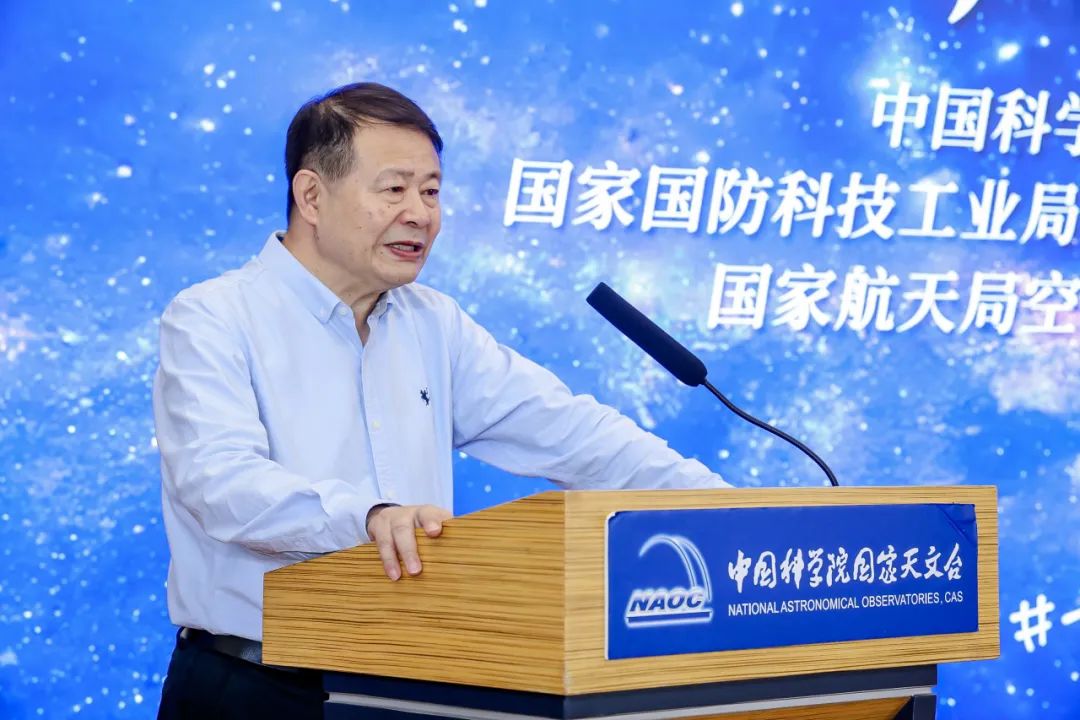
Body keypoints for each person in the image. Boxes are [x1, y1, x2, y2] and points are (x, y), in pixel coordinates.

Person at [154, 82, 727, 719]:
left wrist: (732, 511)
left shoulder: (432, 322)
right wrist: (369, 518)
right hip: (257, 687)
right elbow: (218, 483)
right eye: (394, 189)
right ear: (311, 195)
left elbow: (572, 433)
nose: (420, 214)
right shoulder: (213, 317)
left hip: (409, 684)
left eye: (431, 191)